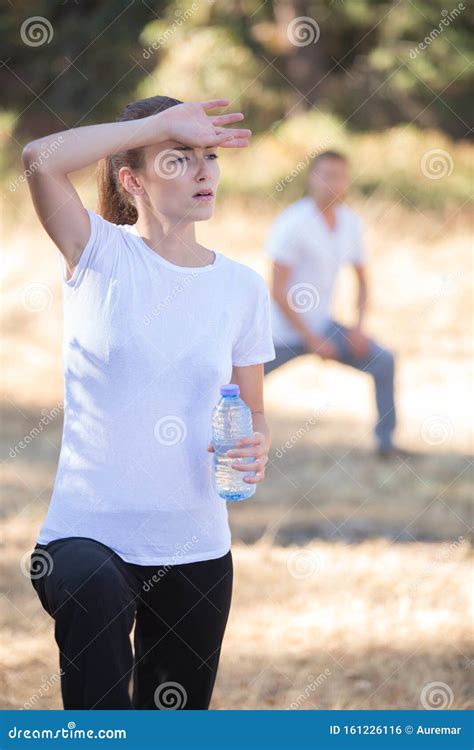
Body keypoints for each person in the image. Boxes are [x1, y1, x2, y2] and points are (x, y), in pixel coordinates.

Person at [23, 96, 276, 710]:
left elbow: (253, 409)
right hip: (86, 539)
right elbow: (39, 160)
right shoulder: (100, 254)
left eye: (209, 158)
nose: (204, 172)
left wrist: (256, 443)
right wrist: (157, 124)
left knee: (173, 726)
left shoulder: (241, 288)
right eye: (178, 159)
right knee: (93, 595)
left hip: (196, 548)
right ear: (131, 179)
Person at [264, 150, 406, 459]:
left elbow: (363, 279)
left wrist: (357, 328)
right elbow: (276, 287)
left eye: (339, 175)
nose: (332, 183)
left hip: (324, 325)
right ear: (311, 178)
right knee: (236, 382)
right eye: (325, 175)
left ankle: (386, 444)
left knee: (383, 360)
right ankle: (222, 449)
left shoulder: (350, 223)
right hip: (280, 332)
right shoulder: (293, 222)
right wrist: (310, 338)